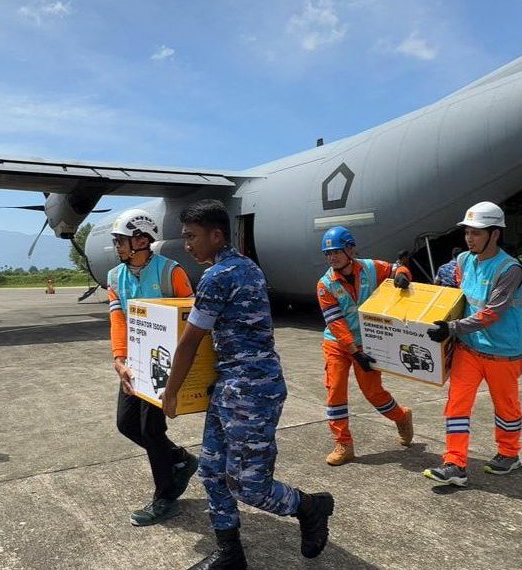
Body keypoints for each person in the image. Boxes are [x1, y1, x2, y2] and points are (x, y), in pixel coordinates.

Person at [161, 199, 334, 567]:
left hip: (252, 392)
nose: (187, 245)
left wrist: (171, 392)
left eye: (192, 237)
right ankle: (230, 554)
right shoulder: (247, 267)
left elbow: (190, 341)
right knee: (211, 471)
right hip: (232, 386)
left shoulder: (218, 276)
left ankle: (311, 506)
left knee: (249, 486)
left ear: (216, 234)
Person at [106, 209, 199, 527]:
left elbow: (192, 315)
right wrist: (119, 360)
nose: (117, 245)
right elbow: (118, 320)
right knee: (126, 423)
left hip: (164, 362)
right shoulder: (114, 277)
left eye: (121, 240)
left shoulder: (170, 273)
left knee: (151, 429)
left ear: (142, 240)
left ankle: (166, 497)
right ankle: (180, 459)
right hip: (133, 363)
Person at [423, 202, 522, 487]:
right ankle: (454, 463)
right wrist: (402, 273)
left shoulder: (510, 269)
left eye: (477, 233)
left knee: (506, 408)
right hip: (469, 350)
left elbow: (492, 312)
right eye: (467, 232)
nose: (469, 238)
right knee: (456, 404)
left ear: (495, 234)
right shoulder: (464, 260)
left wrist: (452, 328)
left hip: (502, 353)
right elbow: (442, 279)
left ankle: (509, 453)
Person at [316, 226, 414, 466]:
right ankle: (344, 443)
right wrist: (353, 352)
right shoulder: (325, 284)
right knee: (335, 390)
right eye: (328, 254)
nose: (332, 258)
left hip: (368, 341)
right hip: (338, 345)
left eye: (336, 251)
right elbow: (335, 323)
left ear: (351, 249)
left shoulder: (371, 268)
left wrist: (403, 275)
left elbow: (395, 267)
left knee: (374, 394)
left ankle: (401, 416)